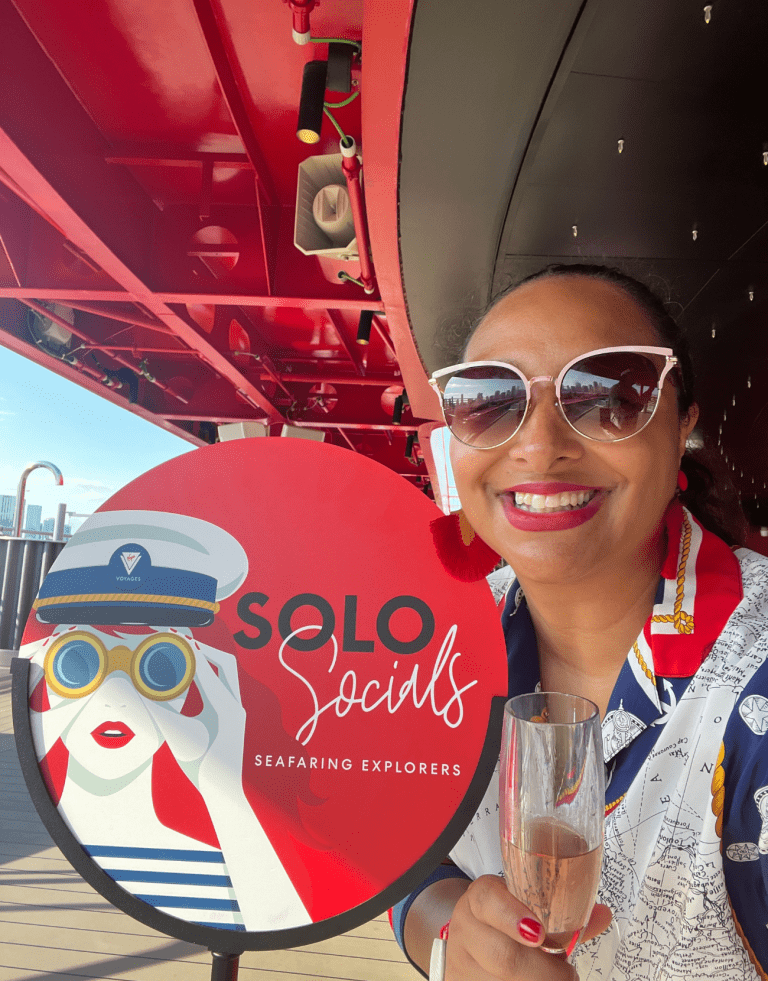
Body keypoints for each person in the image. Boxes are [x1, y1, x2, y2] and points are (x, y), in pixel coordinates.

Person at [393, 264, 768, 980]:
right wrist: (450, 938)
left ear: (683, 420)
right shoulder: (427, 641)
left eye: (607, 397)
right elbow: (404, 854)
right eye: (488, 399)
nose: (537, 445)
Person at [21, 509, 311, 933]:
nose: (116, 699)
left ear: (206, 683)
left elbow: (280, 926)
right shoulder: (236, 868)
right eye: (80, 662)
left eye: (159, 667)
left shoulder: (233, 868)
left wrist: (223, 781)